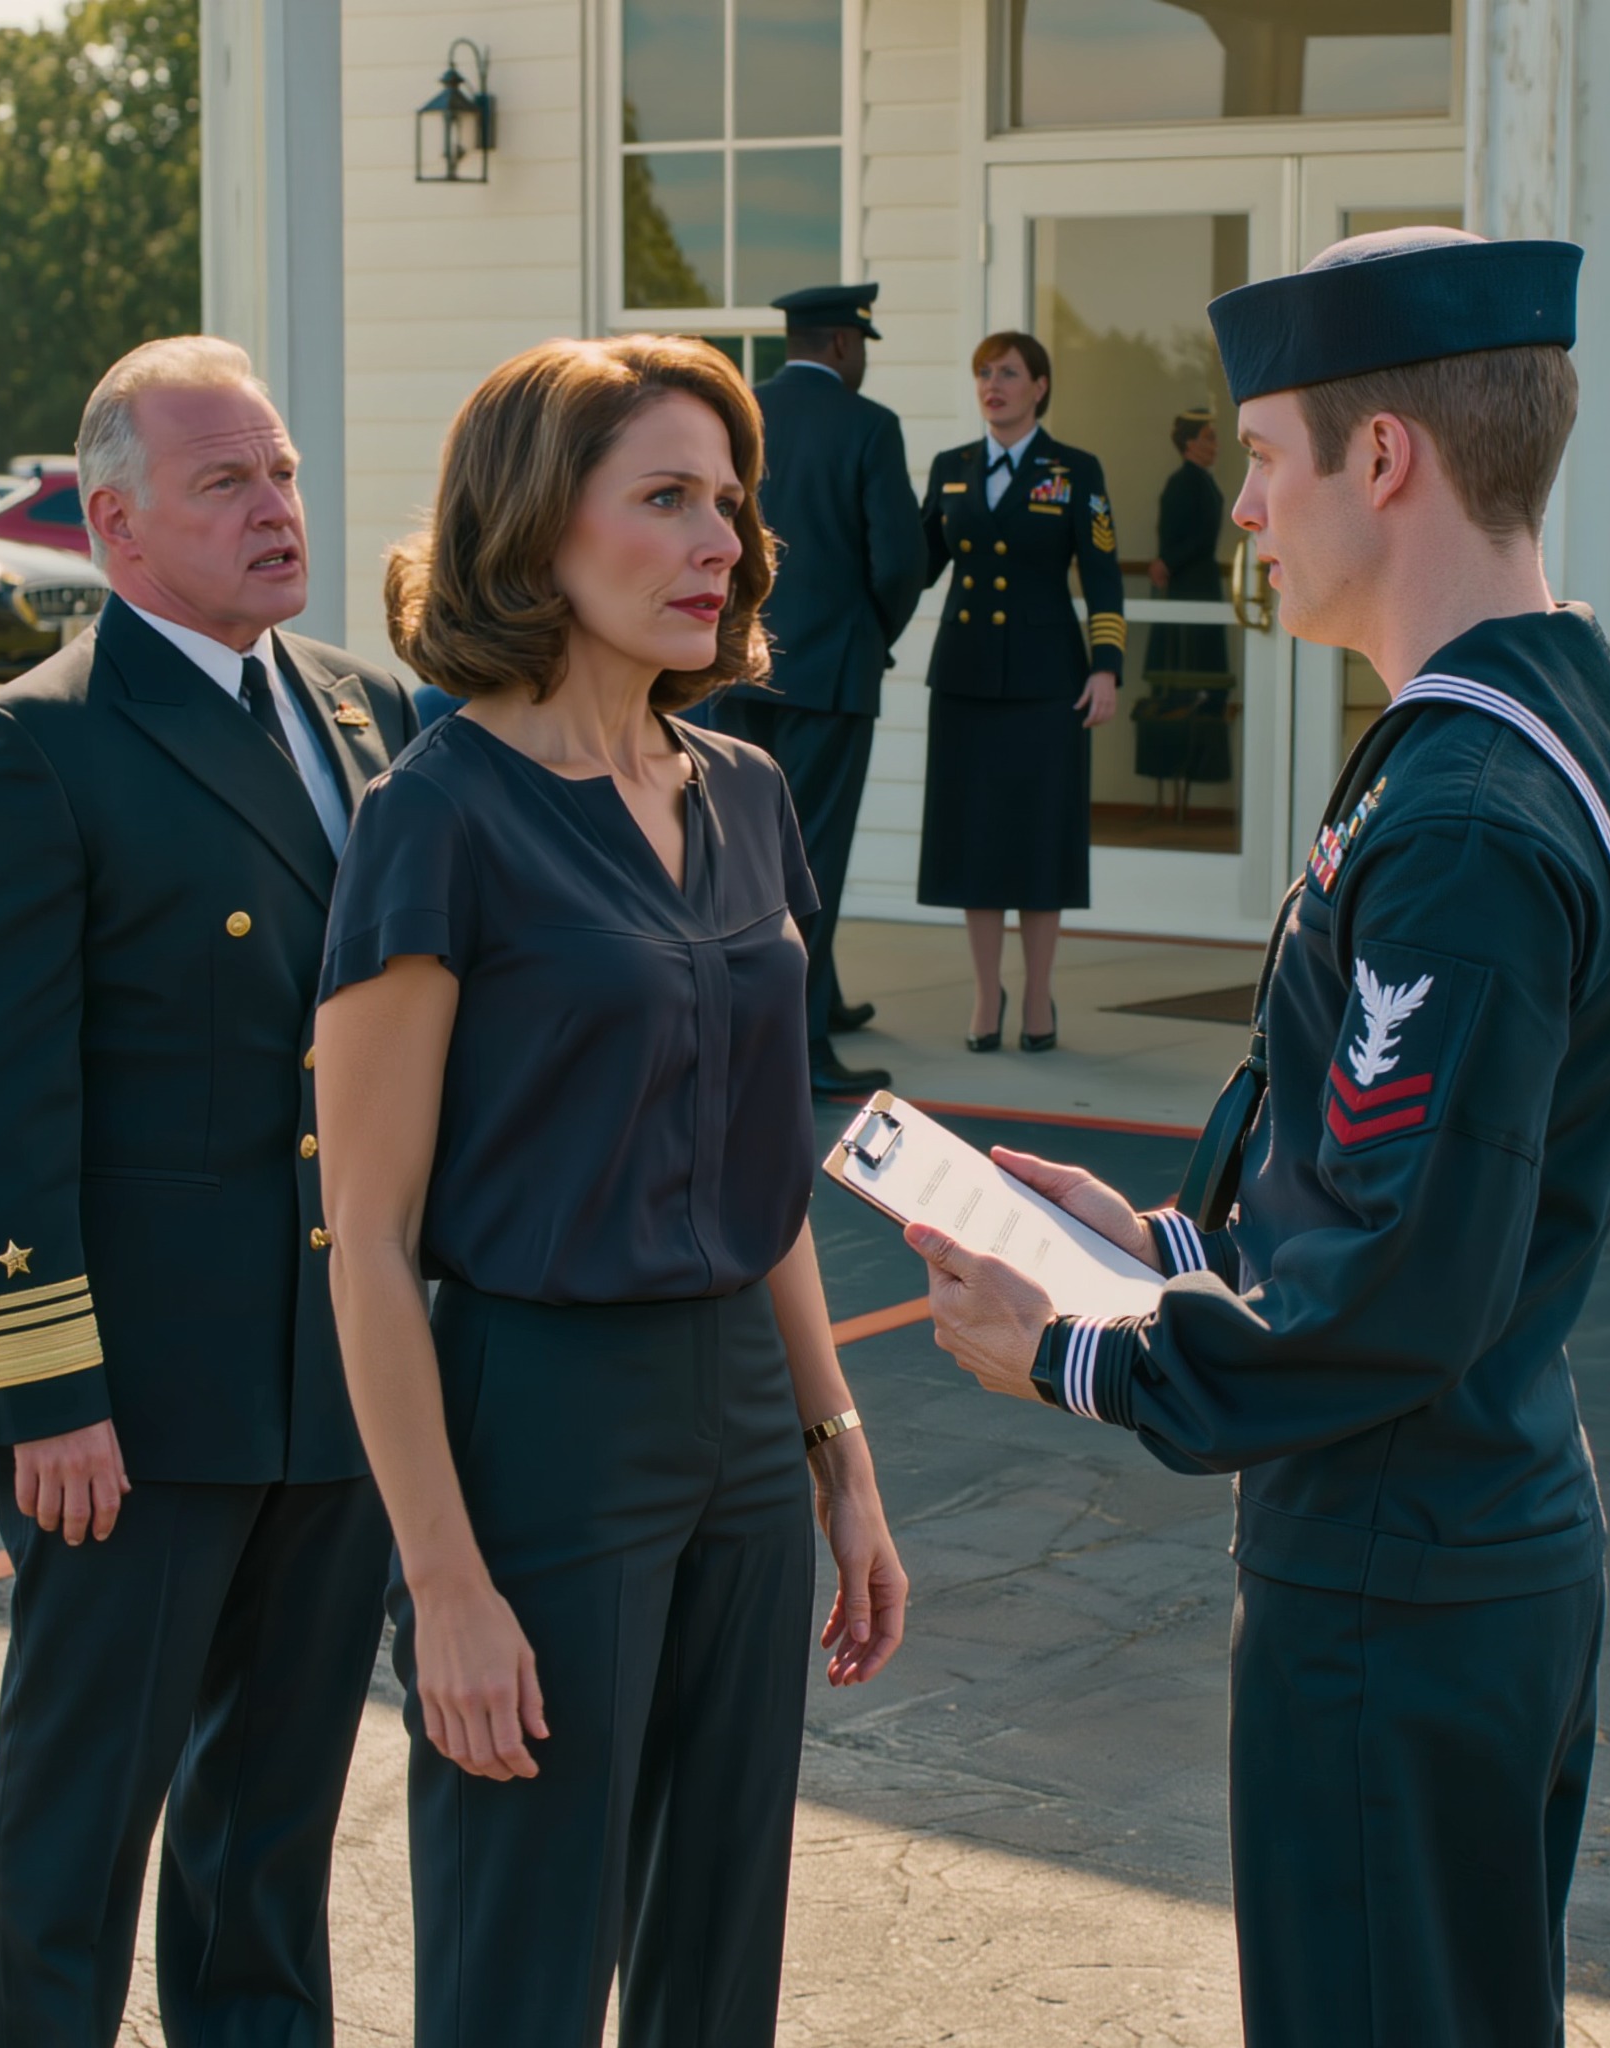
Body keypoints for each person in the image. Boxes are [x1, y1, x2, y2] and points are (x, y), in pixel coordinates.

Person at [908, 229, 1610, 2048]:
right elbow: (1392, 1188)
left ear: (1380, 459)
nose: (1244, 506)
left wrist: (1083, 1350)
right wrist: (1159, 1240)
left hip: (1395, 1569)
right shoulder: (1520, 711)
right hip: (1464, 1535)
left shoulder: (1458, 814)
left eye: (1264, 454)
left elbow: (1396, 1292)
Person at [312, 336, 909, 2048]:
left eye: (727, 502)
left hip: (736, 1410)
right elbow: (365, 1234)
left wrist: (834, 1452)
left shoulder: (743, 788)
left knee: (719, 1944)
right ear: (533, 529)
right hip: (539, 1423)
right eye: (664, 497)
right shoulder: (435, 817)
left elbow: (764, 1159)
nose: (719, 538)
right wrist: (441, 1581)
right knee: (523, 1951)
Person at [0, 336, 419, 2045]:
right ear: (116, 529)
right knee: (77, 1839)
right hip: (140, 1413)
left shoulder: (371, 710)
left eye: (277, 472)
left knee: (266, 1843)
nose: (276, 507)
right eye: (226, 483)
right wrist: (47, 1390)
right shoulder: (31, 749)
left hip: (336, 1391)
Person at [710, 283, 926, 1098]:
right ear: (841, 344)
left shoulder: (742, 417)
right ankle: (799, 1047)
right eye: (861, 342)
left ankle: (811, 1001)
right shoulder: (870, 426)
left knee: (741, 853)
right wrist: (871, 634)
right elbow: (899, 562)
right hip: (831, 674)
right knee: (812, 859)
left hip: (735, 664)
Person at [916, 330, 1125, 1053]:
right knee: (974, 842)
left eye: (1007, 373)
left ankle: (1037, 995)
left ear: (1039, 386)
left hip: (1047, 683)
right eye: (982, 373)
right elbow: (916, 563)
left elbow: (1101, 574)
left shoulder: (1074, 469)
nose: (992, 385)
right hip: (966, 680)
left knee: (1040, 841)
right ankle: (985, 994)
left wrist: (1106, 666)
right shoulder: (951, 469)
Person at [1145, 406, 1229, 675]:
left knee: (1202, 652)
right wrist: (1167, 562)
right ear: (1190, 443)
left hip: (1200, 580)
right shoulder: (1182, 483)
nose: (1215, 444)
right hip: (1186, 582)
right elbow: (1190, 535)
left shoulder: (1201, 481)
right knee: (1186, 655)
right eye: (1209, 437)